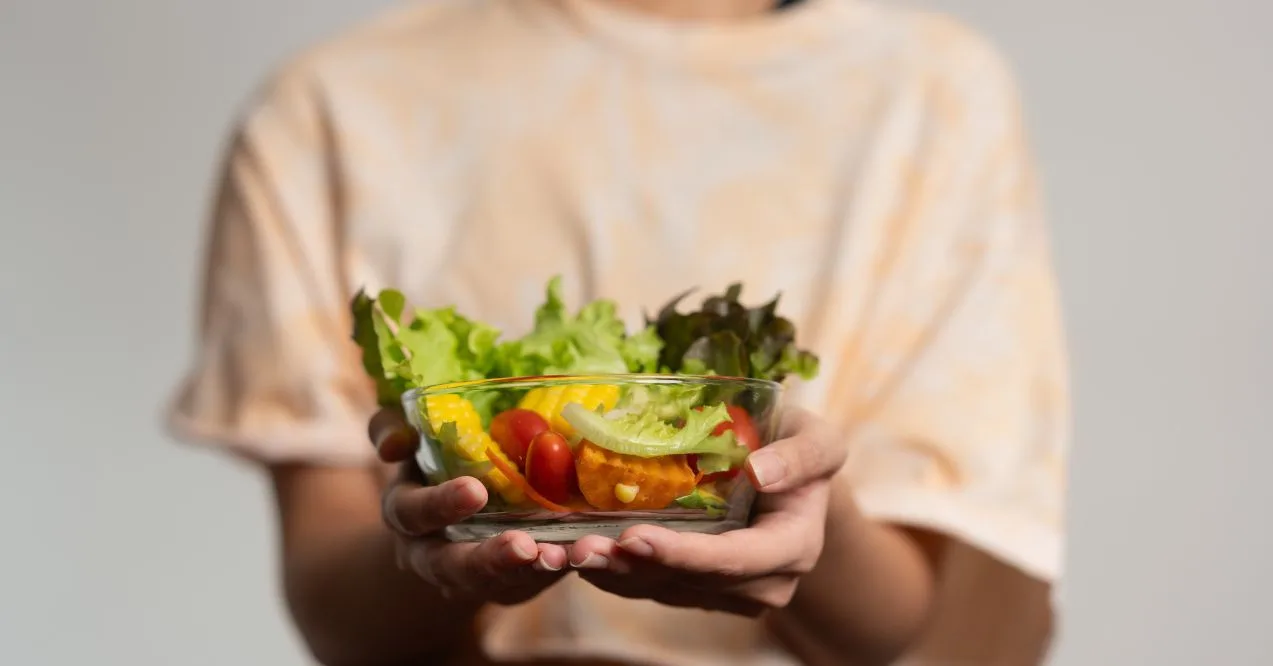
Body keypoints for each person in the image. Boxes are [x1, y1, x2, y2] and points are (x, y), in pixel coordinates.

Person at [168, 0, 1069, 664]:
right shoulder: (331, 109)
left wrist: (798, 512)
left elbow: (957, 633)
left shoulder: (933, 96)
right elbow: (343, 621)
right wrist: (439, 538)